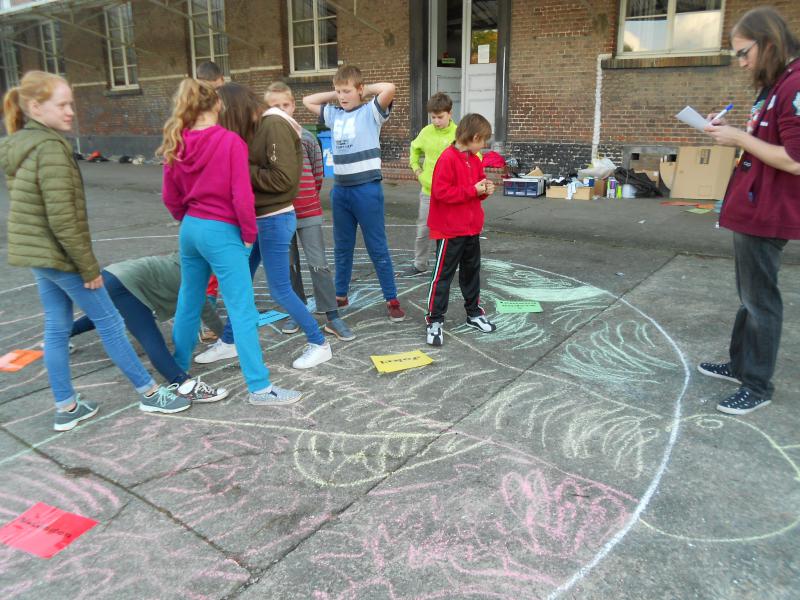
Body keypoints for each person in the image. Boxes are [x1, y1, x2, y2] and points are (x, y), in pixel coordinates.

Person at [0, 71, 191, 431]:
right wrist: (88, 268)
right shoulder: (49, 149)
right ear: (35, 106)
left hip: (38, 254)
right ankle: (150, 393)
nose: (71, 111)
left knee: (56, 328)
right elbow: (63, 217)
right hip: (61, 255)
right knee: (111, 322)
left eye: (71, 102)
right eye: (62, 104)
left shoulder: (18, 144)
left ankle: (67, 406)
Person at [159, 78, 301, 406]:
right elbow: (242, 197)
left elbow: (171, 197)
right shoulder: (230, 142)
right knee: (242, 308)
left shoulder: (176, 141)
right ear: (217, 105)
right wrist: (249, 236)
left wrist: (190, 218)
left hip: (191, 227)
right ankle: (260, 388)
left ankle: (179, 373)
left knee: (189, 301)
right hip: (221, 229)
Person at [699, 6, 800, 415]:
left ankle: (756, 385)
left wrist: (739, 135)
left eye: (744, 53)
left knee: (761, 301)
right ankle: (740, 365)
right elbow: (764, 143)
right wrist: (731, 133)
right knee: (750, 295)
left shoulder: (794, 87)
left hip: (768, 211)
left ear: (769, 43)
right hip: (751, 207)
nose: (741, 62)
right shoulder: (775, 84)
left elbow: (795, 158)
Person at [196, 82, 333, 370]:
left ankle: (319, 343)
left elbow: (284, 180)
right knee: (239, 283)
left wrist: (237, 167)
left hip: (275, 218)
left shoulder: (273, 125)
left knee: (280, 289)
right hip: (258, 218)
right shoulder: (259, 127)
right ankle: (230, 342)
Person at [302, 65, 406, 322]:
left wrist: (363, 89)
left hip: (367, 189)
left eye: (347, 91)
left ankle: (391, 298)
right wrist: (337, 92)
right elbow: (307, 100)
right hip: (341, 190)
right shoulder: (334, 114)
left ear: (359, 90)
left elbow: (389, 88)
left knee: (376, 246)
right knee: (342, 246)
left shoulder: (371, 112)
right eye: (339, 91)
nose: (342, 96)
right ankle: (340, 293)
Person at [263, 81, 355, 342]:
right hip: (278, 214)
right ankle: (297, 309)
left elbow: (317, 174)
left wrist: (305, 200)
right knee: (289, 266)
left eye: (285, 105)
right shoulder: (265, 140)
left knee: (319, 265)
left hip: (307, 211)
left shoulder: (306, 137)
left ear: (292, 105)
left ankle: (332, 317)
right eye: (274, 107)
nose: (281, 110)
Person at [69, 253, 228, 402]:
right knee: (150, 337)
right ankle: (183, 384)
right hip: (126, 286)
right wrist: (226, 338)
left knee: (105, 316)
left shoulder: (186, 259)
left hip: (111, 275)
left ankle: (61, 335)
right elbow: (203, 307)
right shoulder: (193, 273)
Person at [424, 113, 497, 347]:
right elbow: (441, 193)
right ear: (474, 137)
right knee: (443, 276)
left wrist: (485, 189)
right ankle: (434, 320)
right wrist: (472, 190)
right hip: (450, 230)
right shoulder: (447, 158)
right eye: (483, 140)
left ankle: (473, 313)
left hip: (471, 228)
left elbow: (477, 187)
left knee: (471, 272)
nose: (484, 145)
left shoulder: (474, 159)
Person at [406, 92, 458, 277]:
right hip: (429, 191)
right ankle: (420, 264)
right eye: (433, 117)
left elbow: (475, 156)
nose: (436, 121)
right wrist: (417, 170)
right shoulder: (426, 131)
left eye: (440, 117)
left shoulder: (458, 134)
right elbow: (414, 148)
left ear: (450, 113)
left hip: (451, 193)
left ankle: (446, 268)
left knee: (448, 233)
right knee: (423, 230)